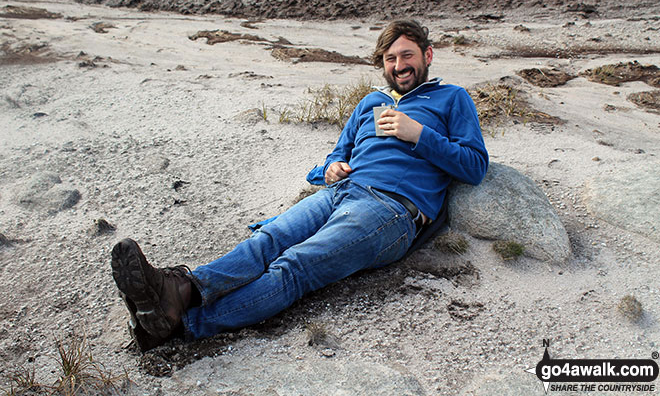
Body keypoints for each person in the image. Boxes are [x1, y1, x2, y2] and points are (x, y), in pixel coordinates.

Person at [111, 19, 489, 351]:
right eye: (391, 59)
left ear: (428, 55)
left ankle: (184, 326)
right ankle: (178, 290)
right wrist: (329, 170)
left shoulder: (451, 98)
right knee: (266, 241)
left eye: (407, 56)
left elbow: (474, 165)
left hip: (388, 210)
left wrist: (420, 134)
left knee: (294, 266)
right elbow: (332, 157)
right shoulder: (370, 103)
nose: (399, 66)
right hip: (340, 192)